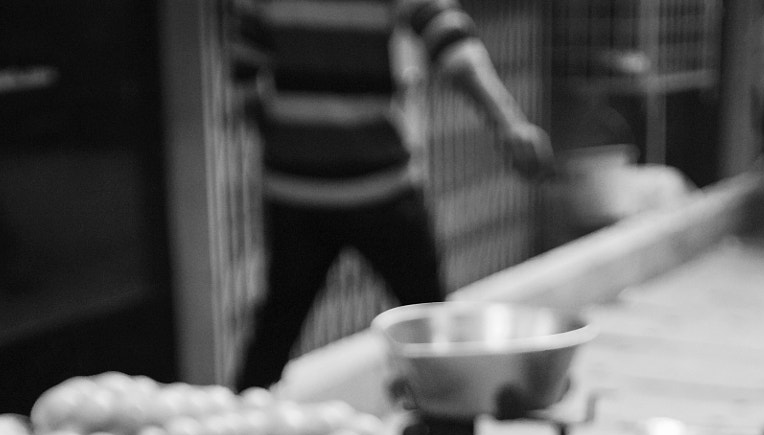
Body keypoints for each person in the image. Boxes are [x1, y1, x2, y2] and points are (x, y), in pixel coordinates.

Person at [230, 0, 553, 391]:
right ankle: (449, 422)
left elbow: (245, 72)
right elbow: (453, 45)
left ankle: (239, 421)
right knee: (431, 329)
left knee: (275, 330)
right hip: (377, 188)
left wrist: (287, 139)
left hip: (299, 189)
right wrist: (509, 123)